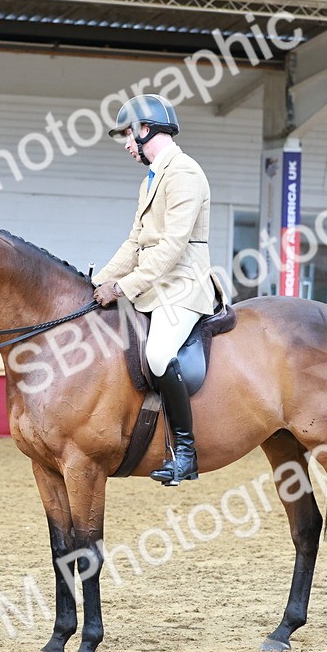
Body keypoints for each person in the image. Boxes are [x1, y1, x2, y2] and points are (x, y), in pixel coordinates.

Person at [92, 93, 215, 486]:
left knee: (159, 354)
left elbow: (171, 248)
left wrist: (124, 287)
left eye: (128, 134)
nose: (127, 144)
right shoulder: (150, 180)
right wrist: (97, 282)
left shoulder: (185, 173)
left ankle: (185, 452)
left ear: (146, 130)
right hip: (154, 285)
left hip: (182, 287)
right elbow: (135, 243)